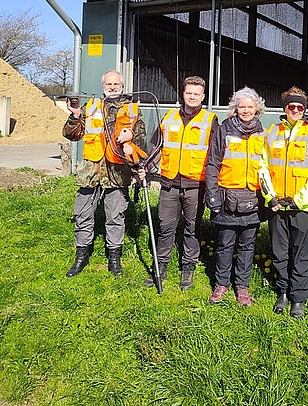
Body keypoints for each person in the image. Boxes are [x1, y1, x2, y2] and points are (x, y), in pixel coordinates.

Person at [63, 70, 147, 277]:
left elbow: (142, 143)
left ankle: (114, 258)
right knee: (83, 214)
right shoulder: (91, 106)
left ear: (122, 86)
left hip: (118, 173)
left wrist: (130, 139)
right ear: (103, 86)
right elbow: (72, 134)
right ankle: (81, 255)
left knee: (115, 217)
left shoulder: (132, 109)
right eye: (109, 84)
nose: (112, 87)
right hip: (90, 172)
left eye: (116, 84)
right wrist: (75, 115)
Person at [144, 76, 218, 290]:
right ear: (183, 94)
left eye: (196, 94)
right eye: (189, 93)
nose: (192, 97)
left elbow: (215, 155)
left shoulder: (210, 120)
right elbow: (156, 148)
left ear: (203, 96)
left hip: (196, 185)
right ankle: (161, 265)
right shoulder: (169, 117)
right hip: (169, 183)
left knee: (192, 228)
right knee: (165, 227)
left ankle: (188, 267)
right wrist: (145, 168)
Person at [259, 86, 308, 318]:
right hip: (277, 204)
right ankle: (283, 291)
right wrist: (270, 196)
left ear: (304, 109)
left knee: (302, 253)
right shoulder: (271, 133)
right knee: (280, 252)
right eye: (291, 106)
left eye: (299, 107)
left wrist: (299, 200)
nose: (295, 110)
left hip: (305, 206)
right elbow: (262, 166)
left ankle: (299, 298)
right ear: (284, 108)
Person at [206, 87, 266, 306]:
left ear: (257, 109)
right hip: (227, 198)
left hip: (253, 198)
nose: (246, 110)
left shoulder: (263, 133)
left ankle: (242, 286)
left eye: (250, 107)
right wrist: (213, 195)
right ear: (235, 108)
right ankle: (221, 284)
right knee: (224, 244)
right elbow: (212, 163)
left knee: (247, 246)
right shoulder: (224, 130)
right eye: (242, 107)